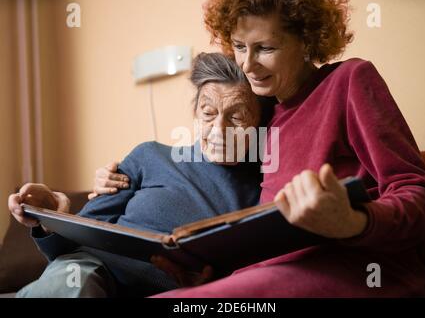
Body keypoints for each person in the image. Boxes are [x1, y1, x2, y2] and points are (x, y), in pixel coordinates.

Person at [95, 0, 425, 297]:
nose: (247, 64)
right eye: (240, 46)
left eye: (265, 48)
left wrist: (354, 221)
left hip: (364, 270)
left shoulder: (349, 81)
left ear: (307, 40)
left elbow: (420, 192)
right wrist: (112, 182)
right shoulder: (264, 115)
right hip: (275, 275)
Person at [8, 52, 265, 297]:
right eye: (209, 113)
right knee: (75, 284)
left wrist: (209, 284)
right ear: (195, 113)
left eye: (237, 117)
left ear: (258, 123)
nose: (218, 129)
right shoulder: (149, 156)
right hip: (92, 271)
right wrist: (53, 215)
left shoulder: (261, 191)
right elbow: (74, 245)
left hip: (165, 288)